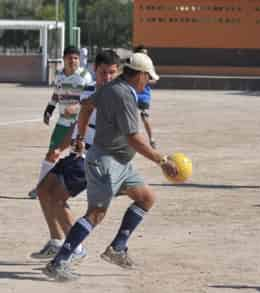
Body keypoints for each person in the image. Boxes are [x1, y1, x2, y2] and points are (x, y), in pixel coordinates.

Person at [42, 52, 178, 282]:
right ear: (140, 75)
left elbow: (85, 106)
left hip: (121, 163)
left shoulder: (112, 87)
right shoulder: (123, 96)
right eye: (148, 77)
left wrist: (81, 137)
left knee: (146, 197)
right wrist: (162, 160)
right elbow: (133, 137)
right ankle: (58, 262)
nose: (148, 82)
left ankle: (117, 248)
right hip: (105, 163)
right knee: (96, 214)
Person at [30, 50, 121, 262]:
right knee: (43, 190)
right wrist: (60, 148)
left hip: (93, 159)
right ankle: (56, 241)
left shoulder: (118, 98)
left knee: (59, 198)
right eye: (102, 73)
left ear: (118, 73)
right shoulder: (88, 91)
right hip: (77, 155)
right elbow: (77, 124)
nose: (107, 77)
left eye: (111, 73)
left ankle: (76, 248)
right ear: (95, 71)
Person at [28, 46, 93, 199]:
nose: (73, 61)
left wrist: (76, 106)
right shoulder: (59, 75)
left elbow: (91, 99)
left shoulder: (85, 76)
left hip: (79, 125)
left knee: (77, 158)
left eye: (76, 58)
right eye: (70, 58)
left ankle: (71, 191)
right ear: (64, 59)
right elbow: (56, 94)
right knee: (51, 154)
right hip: (62, 123)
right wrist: (49, 109)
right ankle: (40, 188)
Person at [133, 44, 157, 148]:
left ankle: (151, 139)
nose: (145, 55)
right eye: (143, 53)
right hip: (132, 93)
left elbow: (154, 80)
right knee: (129, 115)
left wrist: (145, 80)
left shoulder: (149, 66)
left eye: (146, 54)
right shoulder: (132, 65)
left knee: (144, 116)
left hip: (144, 96)